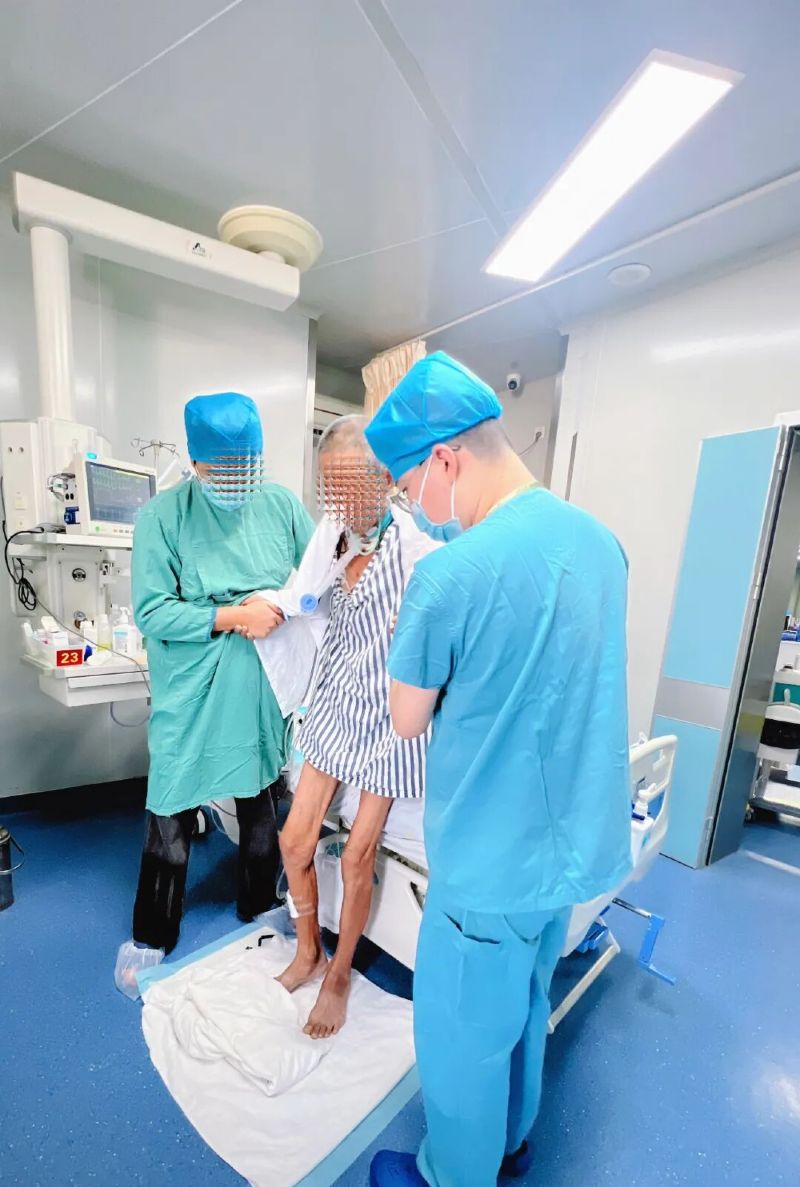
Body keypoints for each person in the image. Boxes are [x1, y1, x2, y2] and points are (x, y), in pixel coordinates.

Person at [363, 352, 633, 1187]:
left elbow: (407, 717)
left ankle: (452, 1172)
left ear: (445, 459)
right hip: (564, 851)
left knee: (462, 1041)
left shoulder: (446, 577)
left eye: (410, 484)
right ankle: (513, 1143)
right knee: (523, 1005)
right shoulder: (601, 545)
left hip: (486, 863)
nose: (415, 505)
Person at [114, 391, 313, 998]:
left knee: (260, 790)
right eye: (221, 469)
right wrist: (231, 616)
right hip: (194, 682)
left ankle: (259, 903)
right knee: (173, 797)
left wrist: (275, 607)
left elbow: (314, 583)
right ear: (195, 460)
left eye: (246, 467)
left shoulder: (281, 506)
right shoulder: (163, 518)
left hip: (261, 678)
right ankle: (153, 932)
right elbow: (153, 611)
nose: (235, 481)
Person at [272, 415, 434, 1039]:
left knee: (359, 855)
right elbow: (303, 597)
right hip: (335, 705)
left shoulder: (416, 548)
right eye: (329, 487)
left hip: (388, 719)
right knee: (294, 841)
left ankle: (339, 975)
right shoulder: (334, 536)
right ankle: (308, 949)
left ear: (384, 478)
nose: (339, 500)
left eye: (350, 485)